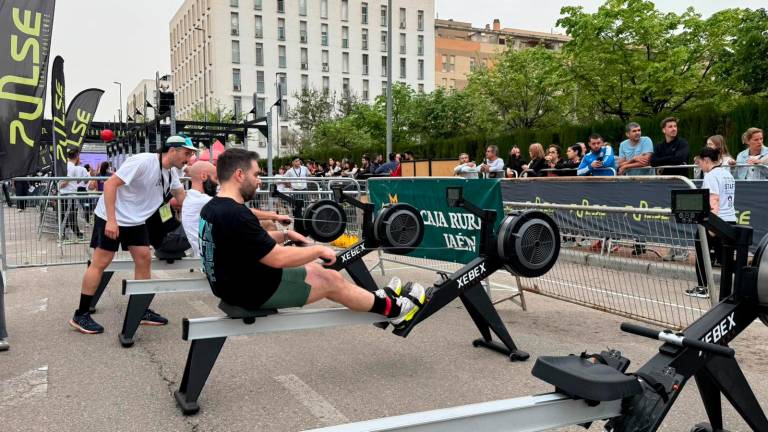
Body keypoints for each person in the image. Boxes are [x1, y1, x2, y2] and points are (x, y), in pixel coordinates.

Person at [199, 148, 425, 329]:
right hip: (250, 292)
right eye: (256, 174)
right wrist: (318, 250)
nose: (259, 181)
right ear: (239, 174)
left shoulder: (213, 208)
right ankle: (395, 311)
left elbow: (248, 240)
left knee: (318, 271)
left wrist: (286, 234)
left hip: (234, 284)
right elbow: (277, 258)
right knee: (330, 281)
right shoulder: (235, 213)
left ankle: (372, 298)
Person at [69, 135, 195, 334]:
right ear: (172, 150)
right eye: (187, 153)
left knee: (144, 258)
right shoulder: (143, 161)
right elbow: (110, 185)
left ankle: (140, 309)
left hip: (135, 220)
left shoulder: (171, 173)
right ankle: (81, 314)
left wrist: (203, 215)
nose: (189, 158)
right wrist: (111, 220)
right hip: (112, 215)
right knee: (101, 261)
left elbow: (182, 197)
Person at [182, 161, 296, 257]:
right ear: (203, 177)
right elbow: (239, 210)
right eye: (216, 178)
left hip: (213, 247)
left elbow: (234, 208)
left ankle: (279, 256)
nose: (217, 183)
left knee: (265, 224)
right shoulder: (202, 200)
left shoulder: (193, 197)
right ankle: (279, 260)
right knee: (267, 225)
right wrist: (275, 216)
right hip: (215, 255)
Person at [688, 147, 737, 299]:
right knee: (725, 258)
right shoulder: (727, 174)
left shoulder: (711, 176)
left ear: (707, 160)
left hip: (715, 220)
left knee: (702, 253)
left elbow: (714, 200)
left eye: (700, 162)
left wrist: (711, 227)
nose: (699, 166)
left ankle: (702, 288)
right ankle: (740, 286)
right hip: (729, 219)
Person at [59, 149, 90, 240]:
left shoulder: (66, 166)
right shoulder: (71, 167)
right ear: (77, 156)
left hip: (65, 194)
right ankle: (75, 234)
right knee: (71, 214)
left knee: (64, 214)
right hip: (68, 194)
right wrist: (58, 188)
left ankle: (68, 233)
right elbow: (66, 182)